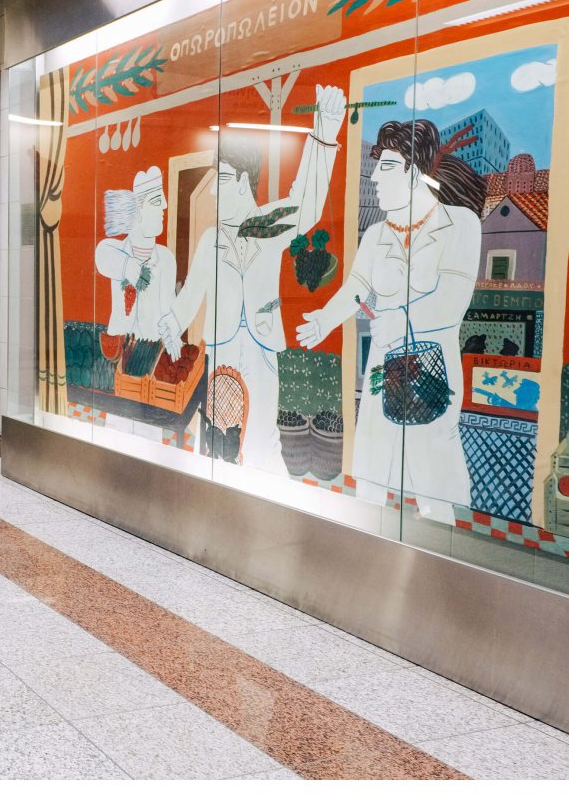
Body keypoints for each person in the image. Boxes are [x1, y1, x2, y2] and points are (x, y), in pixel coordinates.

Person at [297, 118, 485, 524]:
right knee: (371, 476)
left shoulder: (461, 225)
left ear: (413, 173)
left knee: (433, 480)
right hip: (383, 374)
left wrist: (400, 320)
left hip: (432, 377)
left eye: (385, 167)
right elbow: (356, 287)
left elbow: (453, 301)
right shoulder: (376, 234)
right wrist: (325, 320)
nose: (375, 178)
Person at [163, 84, 347, 473]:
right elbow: (193, 291)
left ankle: (265, 497)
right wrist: (171, 324)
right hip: (223, 346)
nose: (213, 189)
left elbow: (308, 204)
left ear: (246, 182)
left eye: (223, 179)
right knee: (216, 428)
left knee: (262, 429)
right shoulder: (212, 238)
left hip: (263, 345)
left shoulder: (270, 224)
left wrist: (324, 135)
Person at [94, 166, 176, 345]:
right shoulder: (117, 251)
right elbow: (101, 254)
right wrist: (128, 266)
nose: (164, 206)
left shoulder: (167, 259)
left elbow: (167, 310)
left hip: (150, 351)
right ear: (138, 212)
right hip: (118, 349)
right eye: (156, 201)